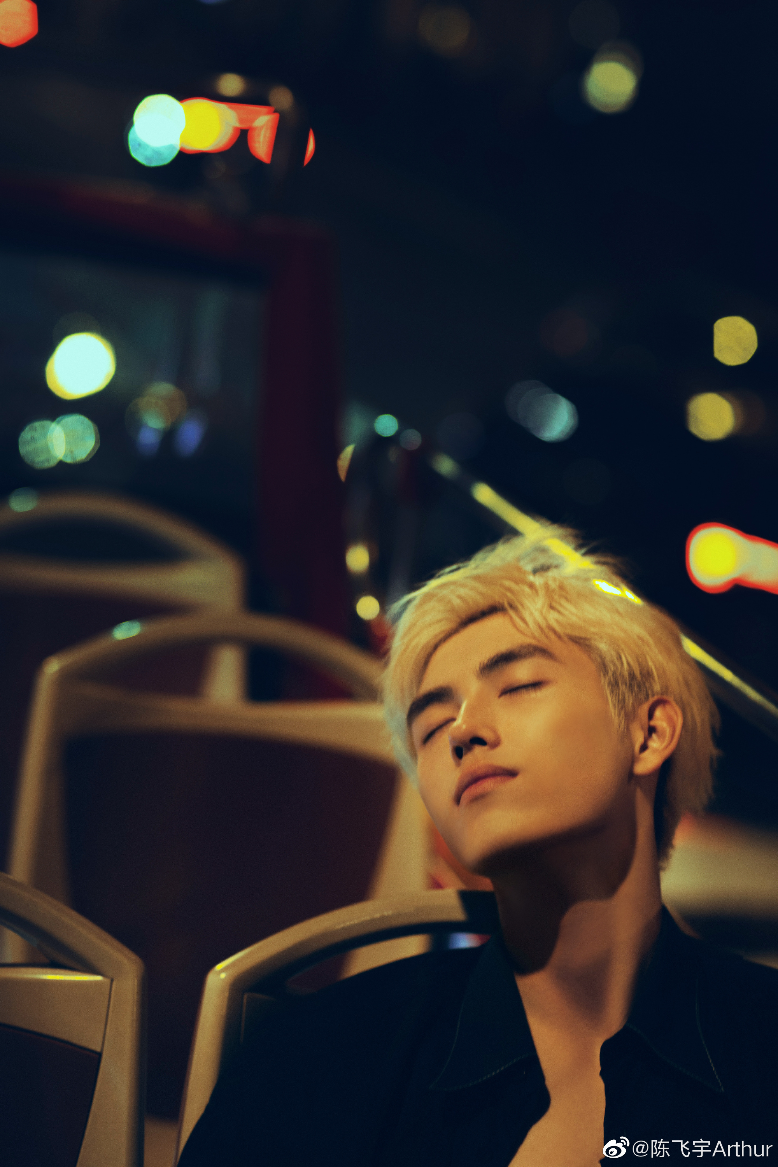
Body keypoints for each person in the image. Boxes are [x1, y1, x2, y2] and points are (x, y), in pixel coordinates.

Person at [179, 524, 778, 1166]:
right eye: (432, 726)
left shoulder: (759, 1051)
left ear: (650, 732)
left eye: (518, 686)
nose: (463, 731)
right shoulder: (317, 1067)